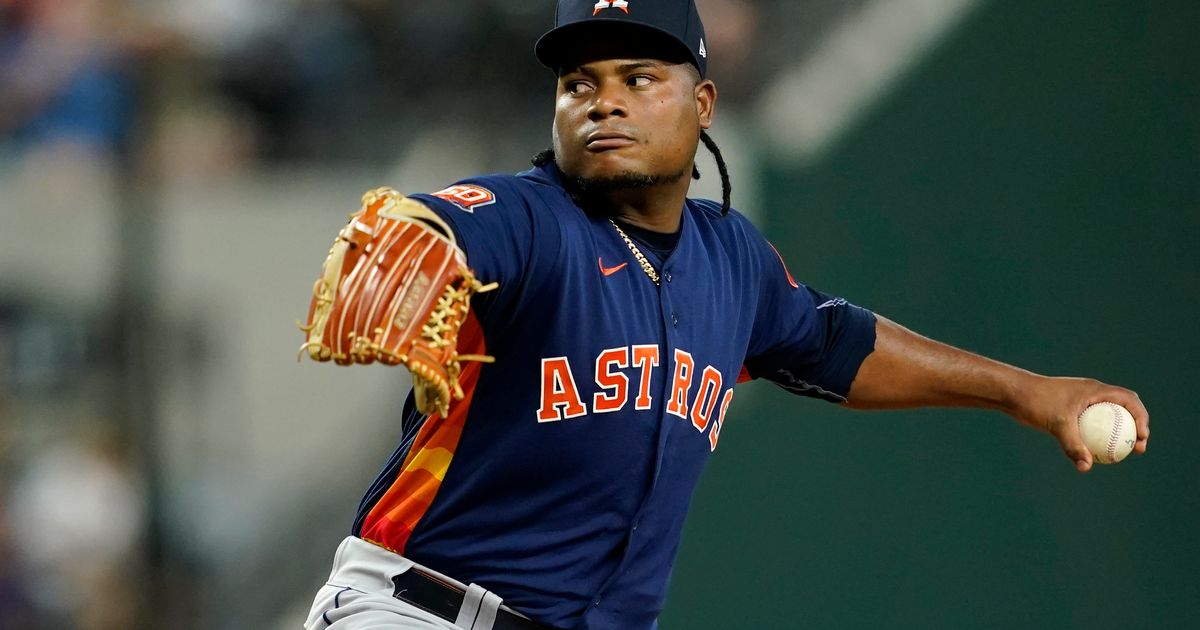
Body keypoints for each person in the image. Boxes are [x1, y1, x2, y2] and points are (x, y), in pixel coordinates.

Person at [299, 2, 1150, 629]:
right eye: (578, 84)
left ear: (702, 103)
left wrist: (1026, 391)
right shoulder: (528, 220)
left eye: (638, 79)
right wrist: (421, 238)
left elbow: (833, 342)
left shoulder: (730, 258)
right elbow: (443, 222)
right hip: (419, 613)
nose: (603, 102)